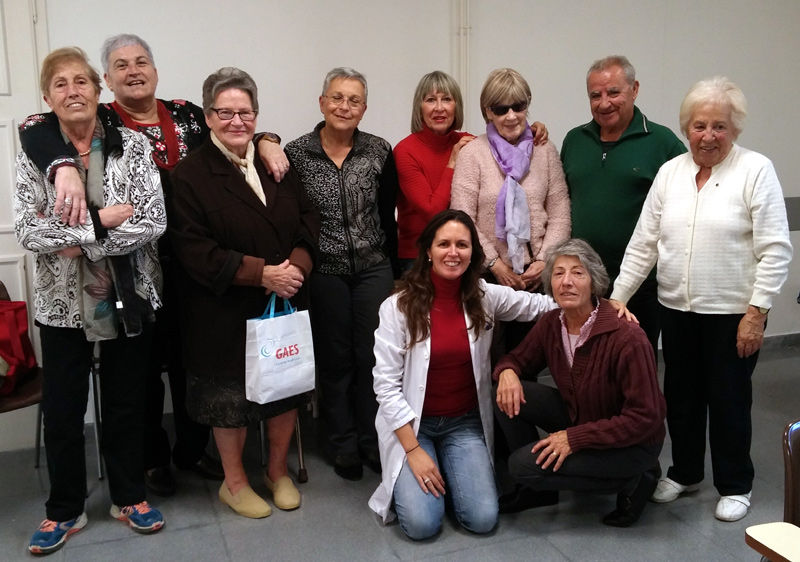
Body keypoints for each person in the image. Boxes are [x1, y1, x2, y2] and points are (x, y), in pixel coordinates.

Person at [17, 33, 289, 496]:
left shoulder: (184, 112)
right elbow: (33, 127)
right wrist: (74, 184)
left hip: (194, 264)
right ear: (108, 81)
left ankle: (194, 451)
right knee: (139, 378)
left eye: (141, 61)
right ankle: (152, 461)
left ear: (156, 70)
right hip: (135, 274)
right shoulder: (97, 118)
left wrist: (267, 139)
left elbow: (231, 124)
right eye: (120, 65)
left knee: (191, 363)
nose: (133, 71)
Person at [610, 77, 792, 522]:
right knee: (682, 394)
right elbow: (643, 242)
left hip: (733, 314)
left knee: (729, 398)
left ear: (735, 129)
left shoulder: (755, 170)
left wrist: (758, 311)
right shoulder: (671, 173)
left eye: (719, 126)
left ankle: (735, 484)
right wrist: (617, 298)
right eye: (698, 125)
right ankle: (686, 472)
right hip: (677, 309)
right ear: (685, 128)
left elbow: (776, 248)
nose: (707, 135)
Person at [16, 47, 166, 555]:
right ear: (47, 97)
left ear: (98, 91)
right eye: (61, 84)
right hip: (61, 303)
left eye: (81, 81)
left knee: (126, 402)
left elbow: (152, 221)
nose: (73, 90)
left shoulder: (135, 146)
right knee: (62, 408)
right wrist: (103, 220)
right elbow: (29, 229)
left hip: (129, 293)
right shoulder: (36, 153)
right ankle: (64, 509)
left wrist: (79, 238)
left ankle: (128, 496)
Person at [168, 67, 319, 519]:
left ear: (257, 116)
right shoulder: (189, 175)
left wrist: (297, 266)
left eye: (246, 112)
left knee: (284, 388)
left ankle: (277, 472)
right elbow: (193, 249)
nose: (238, 121)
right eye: (226, 112)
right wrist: (261, 274)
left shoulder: (277, 165)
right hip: (222, 308)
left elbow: (309, 220)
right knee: (229, 397)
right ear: (208, 117)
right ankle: (234, 484)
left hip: (284, 300)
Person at [369, 210, 556, 539]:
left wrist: (598, 305)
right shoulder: (398, 307)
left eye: (462, 245)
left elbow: (537, 306)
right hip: (414, 425)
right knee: (422, 525)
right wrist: (413, 452)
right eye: (443, 244)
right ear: (428, 250)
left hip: (463, 423)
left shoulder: (483, 296)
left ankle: (448, 470)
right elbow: (385, 388)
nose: (452, 253)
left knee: (483, 518)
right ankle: (427, 469)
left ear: (473, 254)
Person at [494, 239, 665, 528]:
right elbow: (516, 360)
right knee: (503, 392)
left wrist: (574, 439)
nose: (567, 282)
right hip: (583, 416)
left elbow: (645, 418)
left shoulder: (628, 338)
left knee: (520, 466)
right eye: (558, 273)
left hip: (632, 444)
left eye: (578, 273)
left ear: (594, 282)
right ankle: (539, 491)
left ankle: (635, 479)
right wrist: (507, 371)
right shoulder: (552, 323)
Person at [285, 67, 398, 481]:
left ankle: (372, 440)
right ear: (321, 103)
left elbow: (389, 216)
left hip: (374, 268)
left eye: (353, 100)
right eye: (336, 97)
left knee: (373, 357)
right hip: (325, 271)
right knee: (335, 359)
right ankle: (341, 443)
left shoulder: (379, 151)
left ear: (364, 108)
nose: (344, 106)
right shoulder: (297, 154)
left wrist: (397, 270)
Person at [561, 55, 686, 354]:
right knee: (585, 363)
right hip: (584, 282)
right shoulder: (574, 140)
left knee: (634, 364)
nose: (604, 103)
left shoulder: (662, 143)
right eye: (596, 95)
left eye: (613, 92)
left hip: (641, 285)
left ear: (634, 89)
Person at [450, 67, 570, 355]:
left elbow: (560, 211)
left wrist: (543, 261)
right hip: (487, 275)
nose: (511, 116)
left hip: (535, 276)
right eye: (501, 109)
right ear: (487, 112)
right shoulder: (472, 154)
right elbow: (462, 216)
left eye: (519, 106)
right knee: (487, 359)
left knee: (528, 359)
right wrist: (496, 264)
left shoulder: (545, 150)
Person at [394, 71, 549, 272]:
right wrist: (452, 163)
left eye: (447, 99)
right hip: (419, 257)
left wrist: (532, 131)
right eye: (431, 100)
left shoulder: (469, 142)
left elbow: (507, 141)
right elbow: (433, 213)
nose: (439, 108)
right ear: (419, 107)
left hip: (461, 253)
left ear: (456, 106)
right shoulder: (405, 151)